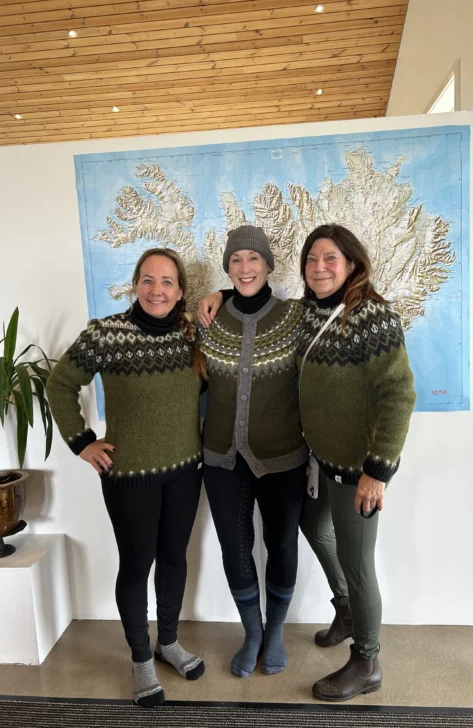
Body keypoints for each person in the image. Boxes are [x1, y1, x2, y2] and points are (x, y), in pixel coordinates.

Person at [47, 248, 206, 709]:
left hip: (184, 471)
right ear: (135, 284)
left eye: (168, 282)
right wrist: (82, 442)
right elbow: (60, 382)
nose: (158, 290)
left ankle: (169, 643)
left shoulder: (191, 333)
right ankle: (141, 658)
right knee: (138, 566)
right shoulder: (106, 333)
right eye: (149, 280)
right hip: (129, 474)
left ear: (180, 291)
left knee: (174, 558)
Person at [298, 223, 416, 701]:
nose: (320, 267)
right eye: (311, 260)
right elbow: (253, 300)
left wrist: (377, 471)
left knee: (358, 561)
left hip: (360, 468)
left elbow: (400, 393)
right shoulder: (307, 313)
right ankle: (345, 609)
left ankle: (367, 661)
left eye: (330, 258)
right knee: (312, 524)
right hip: (321, 460)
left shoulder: (373, 317)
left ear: (351, 264)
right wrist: (220, 295)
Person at [198, 224, 308, 678]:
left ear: (268, 265)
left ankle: (276, 629)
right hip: (222, 457)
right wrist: (218, 295)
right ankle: (253, 632)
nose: (245, 268)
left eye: (254, 259)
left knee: (280, 543)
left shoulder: (295, 316)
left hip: (282, 455)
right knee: (234, 547)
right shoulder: (208, 318)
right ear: (227, 268)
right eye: (236, 261)